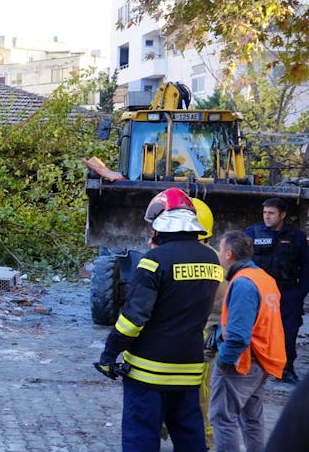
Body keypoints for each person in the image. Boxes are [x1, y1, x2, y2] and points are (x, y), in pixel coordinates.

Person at [95, 188, 223, 452]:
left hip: (148, 371)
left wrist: (110, 353)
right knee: (190, 437)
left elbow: (133, 319)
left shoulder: (154, 261)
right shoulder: (211, 259)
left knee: (140, 438)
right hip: (189, 369)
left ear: (163, 222)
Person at [209, 230, 285, 452]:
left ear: (229, 254)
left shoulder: (243, 284)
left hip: (242, 363)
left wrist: (223, 362)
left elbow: (238, 336)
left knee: (222, 418)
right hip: (262, 359)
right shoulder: (264, 278)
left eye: (220, 250)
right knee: (251, 420)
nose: (219, 255)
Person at [245, 197, 309, 384]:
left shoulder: (296, 236)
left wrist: (300, 293)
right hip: (259, 293)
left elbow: (306, 266)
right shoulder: (252, 233)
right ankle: (252, 368)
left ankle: (285, 369)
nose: (267, 217)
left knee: (288, 333)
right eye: (265, 213)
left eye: (271, 213)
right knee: (254, 331)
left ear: (283, 215)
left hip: (287, 293)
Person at [193, 198, 223, 450]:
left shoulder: (175, 257)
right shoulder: (217, 258)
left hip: (198, 336)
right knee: (205, 389)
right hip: (210, 334)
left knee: (200, 392)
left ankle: (204, 439)